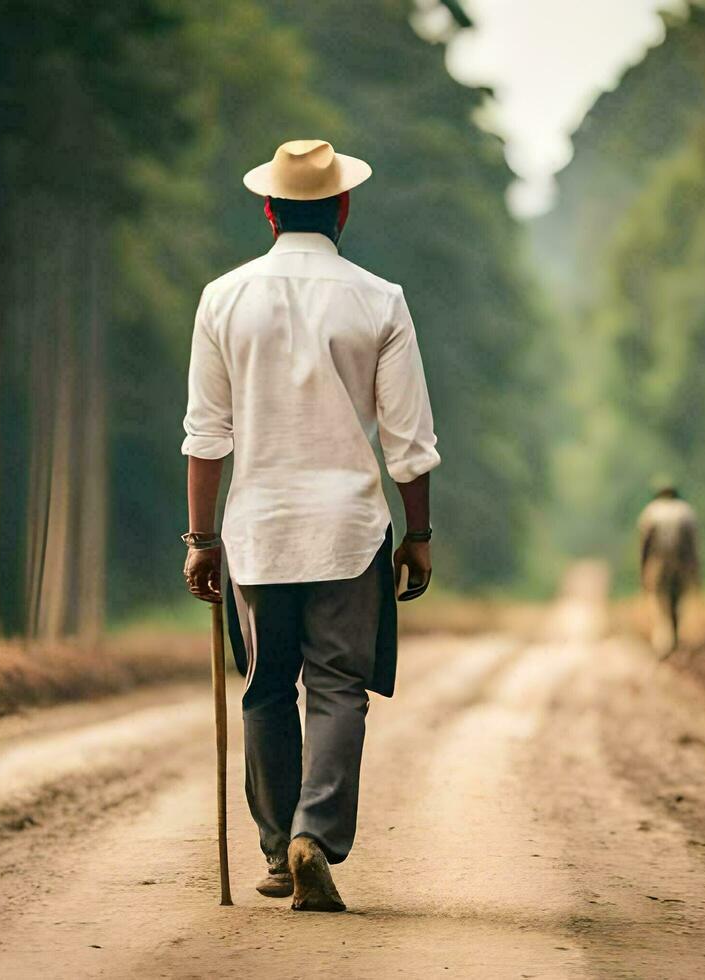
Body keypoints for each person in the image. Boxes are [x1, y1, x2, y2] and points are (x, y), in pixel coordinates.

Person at [179, 139, 439, 913]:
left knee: (265, 687)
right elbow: (410, 443)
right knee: (336, 687)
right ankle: (312, 836)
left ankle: (273, 850)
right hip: (350, 532)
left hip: (258, 531)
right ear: (343, 208)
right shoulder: (380, 299)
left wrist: (201, 541)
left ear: (268, 210)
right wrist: (418, 535)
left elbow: (206, 436)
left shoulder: (222, 298)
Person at [637, 485, 700, 655]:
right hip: (680, 561)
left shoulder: (652, 512)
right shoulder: (685, 511)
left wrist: (643, 568)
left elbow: (645, 543)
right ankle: (674, 633)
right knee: (677, 599)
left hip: (659, 560)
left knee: (659, 598)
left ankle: (664, 637)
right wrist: (694, 568)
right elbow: (691, 543)